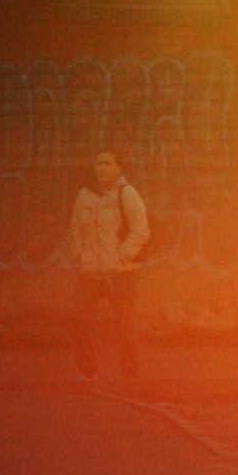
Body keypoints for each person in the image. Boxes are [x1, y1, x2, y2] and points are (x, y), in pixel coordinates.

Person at [68, 149, 148, 379]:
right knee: (80, 319)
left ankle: (130, 371)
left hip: (122, 273)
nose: (101, 167)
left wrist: (123, 255)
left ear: (118, 168)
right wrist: (81, 255)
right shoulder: (85, 194)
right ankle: (87, 370)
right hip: (91, 271)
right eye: (98, 163)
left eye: (107, 163)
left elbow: (141, 230)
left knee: (126, 323)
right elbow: (77, 228)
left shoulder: (127, 193)